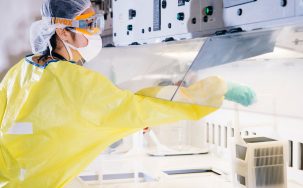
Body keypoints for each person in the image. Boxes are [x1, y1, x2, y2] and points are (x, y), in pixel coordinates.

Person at [0, 0, 255, 187]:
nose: (95, 32)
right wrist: (218, 88)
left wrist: (128, 123)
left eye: (96, 23)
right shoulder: (75, 81)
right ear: (62, 31)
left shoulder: (21, 70)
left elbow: (57, 124)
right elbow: (142, 106)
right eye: (88, 24)